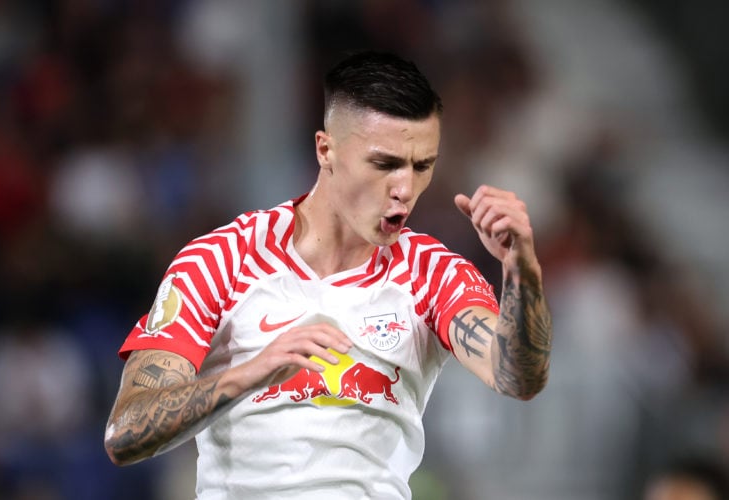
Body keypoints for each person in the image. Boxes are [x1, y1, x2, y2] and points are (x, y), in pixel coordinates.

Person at [104, 50, 553, 499]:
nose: (405, 189)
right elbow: (125, 432)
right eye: (385, 164)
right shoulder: (222, 260)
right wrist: (252, 372)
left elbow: (517, 378)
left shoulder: (430, 273)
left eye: (422, 166)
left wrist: (521, 271)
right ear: (326, 150)